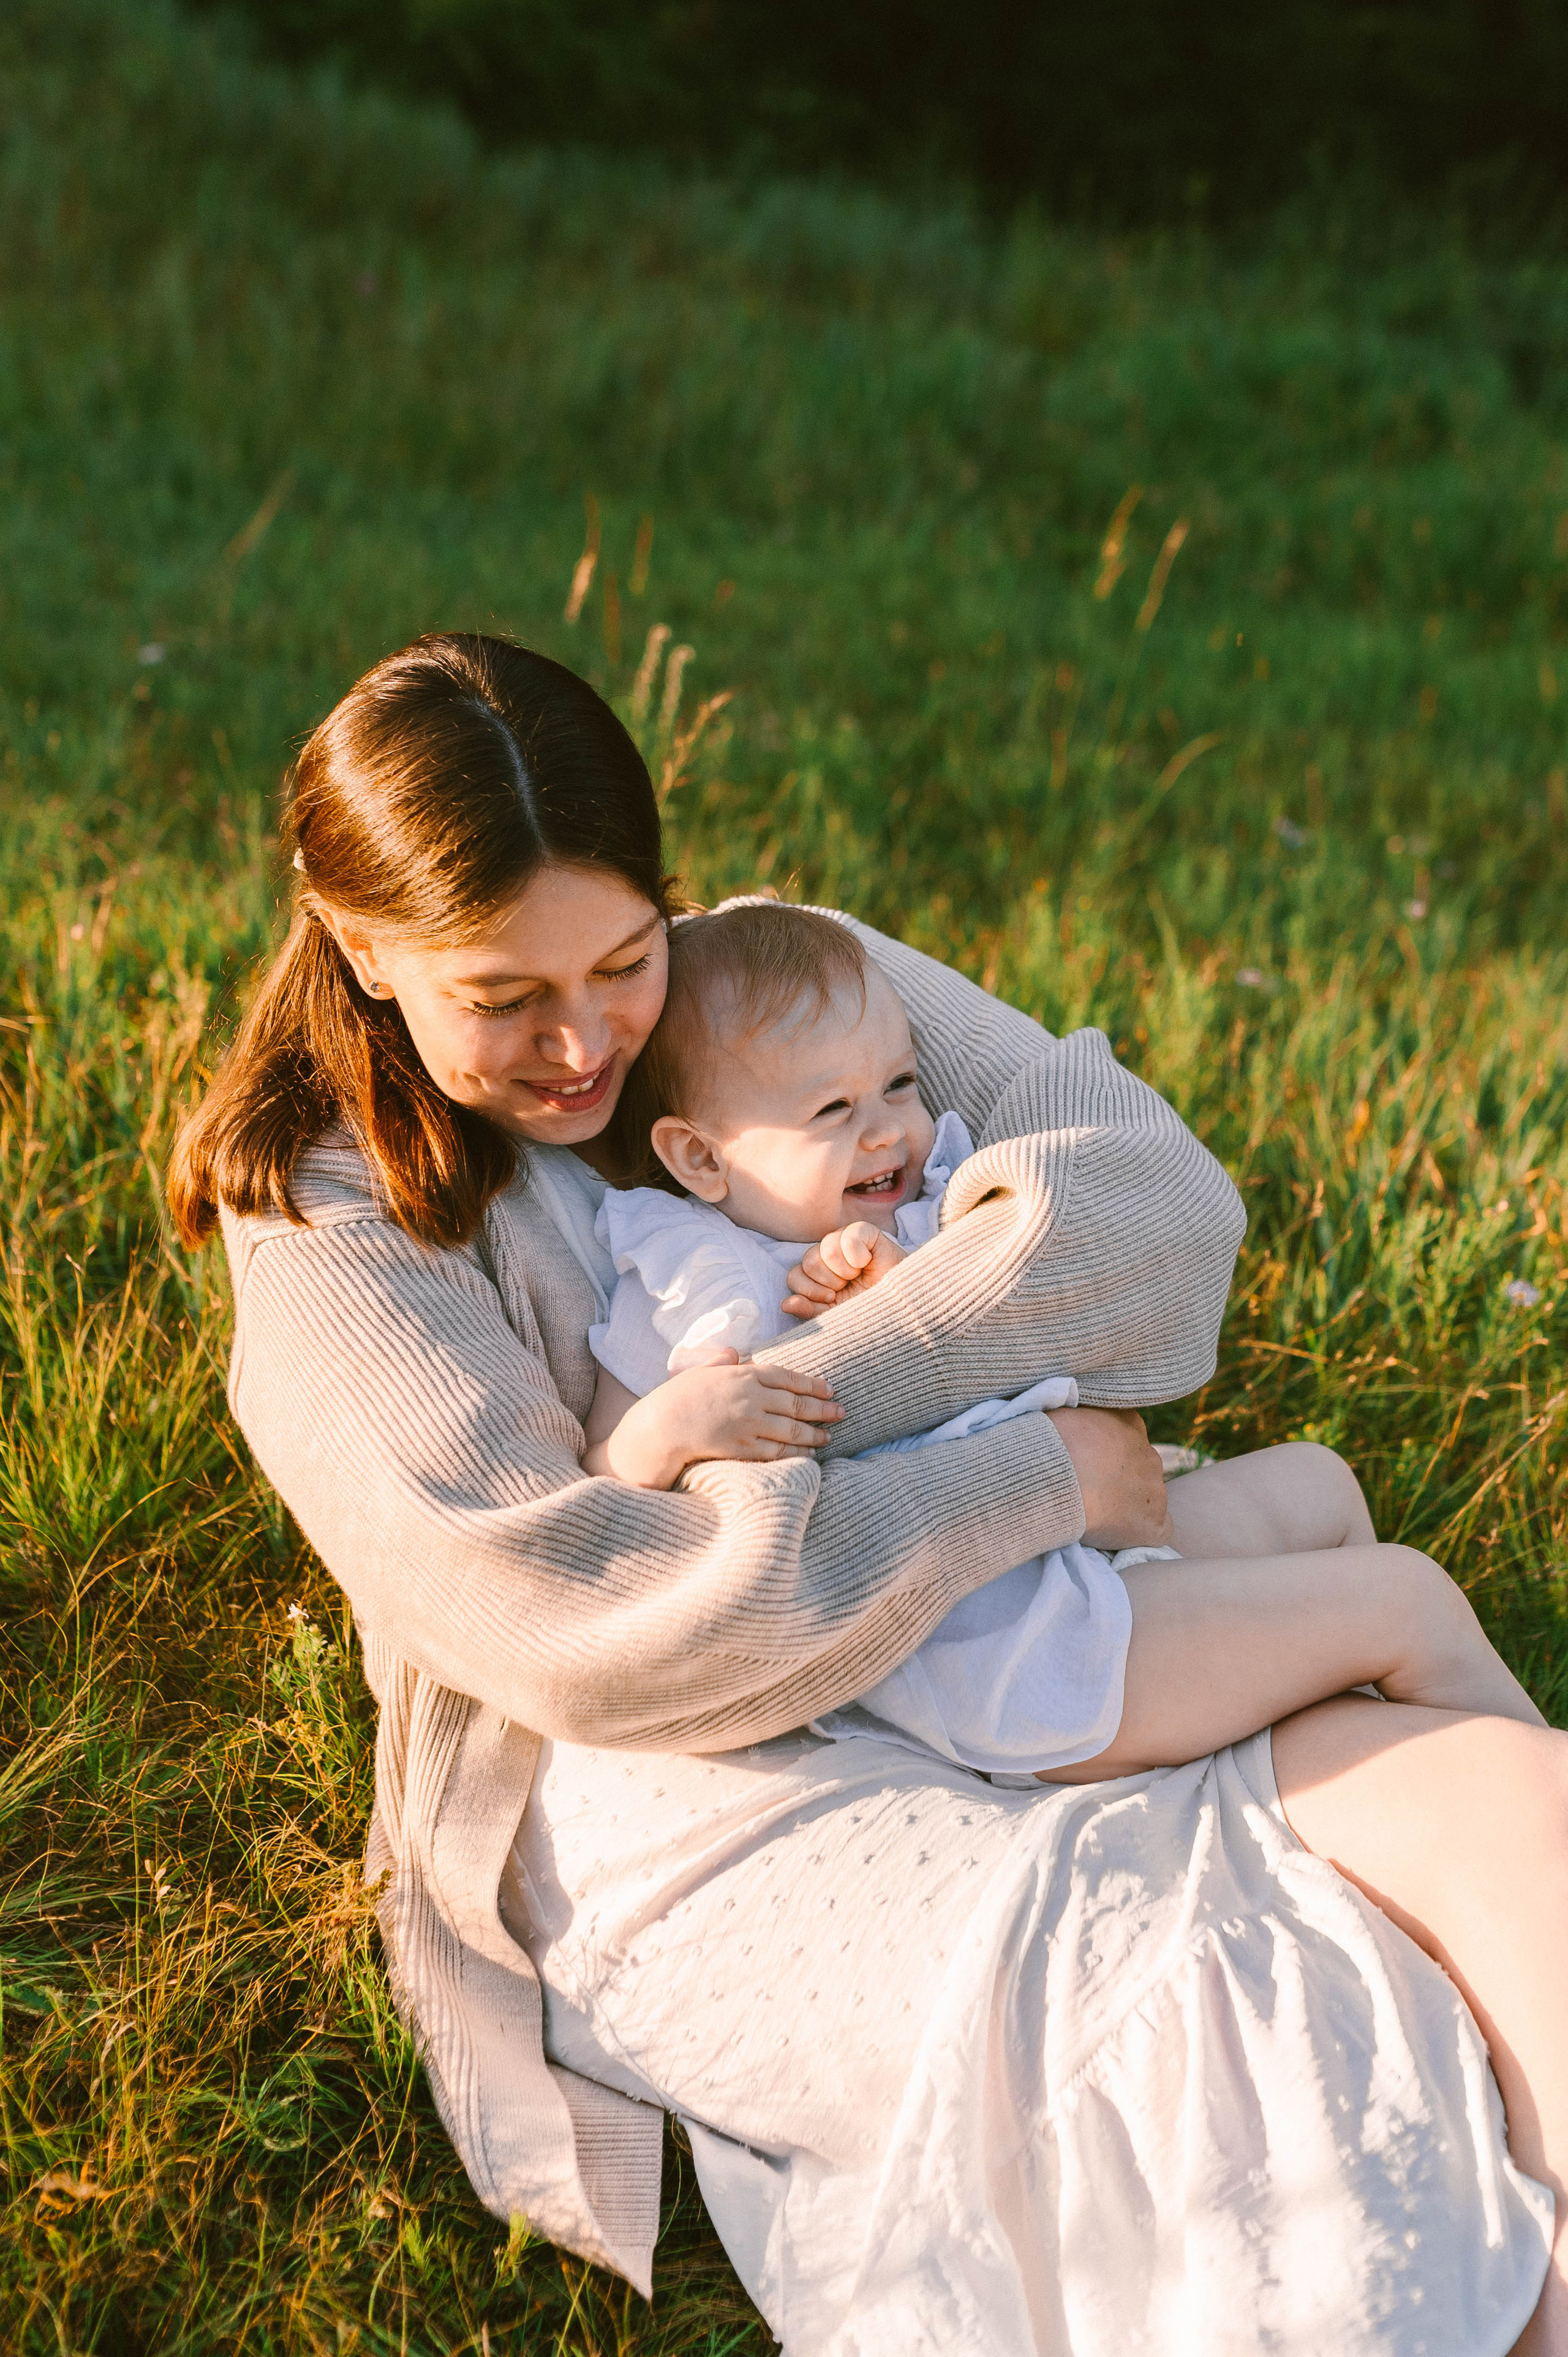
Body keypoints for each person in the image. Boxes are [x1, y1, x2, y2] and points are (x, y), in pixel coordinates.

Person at [168, 632, 1566, 2355]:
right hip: (682, 1786)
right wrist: (1027, 1472)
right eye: (503, 995)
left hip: (981, 1592)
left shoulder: (760, 985)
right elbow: (600, 1626)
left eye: (620, 958)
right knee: (1231, 2008)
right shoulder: (332, 1224)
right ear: (363, 944)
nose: (584, 1041)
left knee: (1511, 1813)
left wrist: (832, 1402)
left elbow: (1156, 1213)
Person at [579, 900, 1547, 1785]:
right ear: (699, 1156)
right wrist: (673, 1425)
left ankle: (1409, 1747)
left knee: (1321, 1482)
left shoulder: (926, 1205)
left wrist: (915, 1282)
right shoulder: (691, 1280)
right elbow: (604, 1476)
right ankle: (1514, 1780)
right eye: (833, 1110)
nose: (886, 1132)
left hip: (1082, 1556)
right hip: (1007, 1653)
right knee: (1406, 1601)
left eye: (900, 1084)